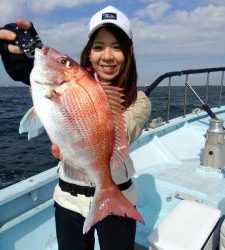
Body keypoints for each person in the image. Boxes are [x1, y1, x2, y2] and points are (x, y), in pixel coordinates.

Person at [0, 5, 151, 250]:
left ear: (129, 53)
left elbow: (123, 133)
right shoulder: (70, 86)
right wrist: (30, 68)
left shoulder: (140, 100)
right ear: (89, 53)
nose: (108, 56)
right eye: (99, 47)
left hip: (117, 196)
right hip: (68, 200)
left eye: (117, 47)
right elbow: (52, 106)